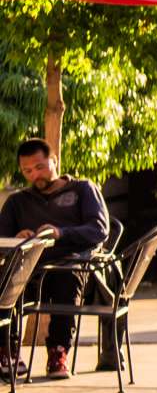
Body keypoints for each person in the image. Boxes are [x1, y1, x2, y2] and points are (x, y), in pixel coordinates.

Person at [3, 139, 113, 379]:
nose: (35, 175)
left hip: (75, 268)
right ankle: (8, 352)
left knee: (66, 278)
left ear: (54, 161)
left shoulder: (82, 189)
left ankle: (58, 352)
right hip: (30, 271)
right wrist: (17, 239)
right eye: (27, 171)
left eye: (40, 167)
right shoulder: (17, 202)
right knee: (6, 281)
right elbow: (2, 238)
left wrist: (61, 233)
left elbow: (99, 230)